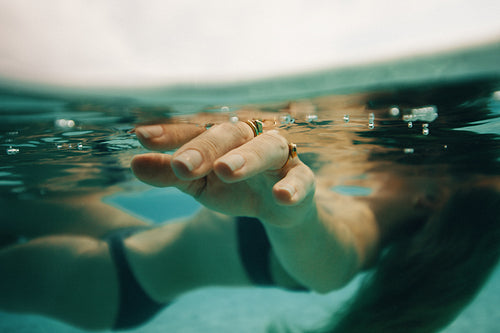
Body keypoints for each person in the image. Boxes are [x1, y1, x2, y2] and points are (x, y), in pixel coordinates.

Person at [1, 118, 499, 332]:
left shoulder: (352, 249)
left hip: (107, 283)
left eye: (432, 155)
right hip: (126, 239)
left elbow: (320, 252)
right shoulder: (357, 218)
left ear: (431, 196)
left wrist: (290, 215)